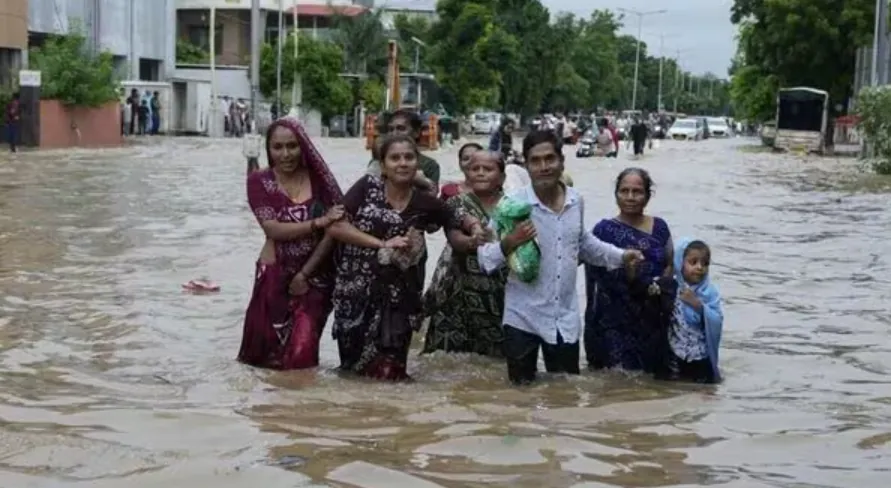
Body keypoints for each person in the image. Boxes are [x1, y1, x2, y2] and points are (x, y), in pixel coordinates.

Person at [478, 131, 644, 385]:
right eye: (535, 161)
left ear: (561, 161)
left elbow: (584, 244)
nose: (543, 167)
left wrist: (622, 256)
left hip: (563, 319)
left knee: (565, 396)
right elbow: (485, 259)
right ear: (527, 165)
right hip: (522, 317)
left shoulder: (576, 201)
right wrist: (511, 241)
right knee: (519, 397)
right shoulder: (511, 206)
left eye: (549, 159)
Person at [328, 134, 485, 381]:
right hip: (356, 295)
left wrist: (474, 226)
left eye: (409, 157)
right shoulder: (366, 188)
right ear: (383, 165)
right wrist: (381, 243)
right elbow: (336, 226)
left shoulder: (424, 202)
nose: (402, 163)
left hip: (400, 299)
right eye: (395, 158)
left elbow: (453, 213)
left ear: (417, 163)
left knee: (392, 374)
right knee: (352, 373)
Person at [239, 116, 345, 369]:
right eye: (278, 147)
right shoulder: (259, 181)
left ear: (304, 147)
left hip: (316, 277)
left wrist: (306, 274)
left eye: (292, 146)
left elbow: (339, 225)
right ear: (269, 149)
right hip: (274, 276)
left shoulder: (320, 181)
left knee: (302, 353)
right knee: (263, 359)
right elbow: (272, 229)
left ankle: (303, 407)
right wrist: (317, 223)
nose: (286, 154)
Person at [583, 168, 674, 373]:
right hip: (614, 323)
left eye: (637, 191)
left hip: (652, 319)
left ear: (648, 195)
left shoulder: (660, 227)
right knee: (617, 383)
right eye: (624, 191)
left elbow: (670, 263)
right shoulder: (603, 231)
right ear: (616, 194)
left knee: (651, 382)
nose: (630, 197)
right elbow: (591, 269)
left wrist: (659, 288)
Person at [423, 151, 508, 357]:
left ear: (501, 177)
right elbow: (454, 237)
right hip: (457, 295)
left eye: (487, 169)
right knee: (448, 363)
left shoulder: (513, 205)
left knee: (497, 365)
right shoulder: (456, 202)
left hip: (500, 296)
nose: (480, 173)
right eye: (474, 169)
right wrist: (472, 241)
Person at [657, 238, 724, 383]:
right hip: (674, 354)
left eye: (705, 263)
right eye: (693, 262)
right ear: (680, 263)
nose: (700, 267)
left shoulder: (710, 292)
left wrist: (699, 306)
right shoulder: (670, 288)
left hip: (700, 355)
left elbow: (717, 321)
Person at [367, 109, 440, 195]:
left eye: (401, 128)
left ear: (416, 132)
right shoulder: (379, 161)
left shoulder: (429, 165)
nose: (394, 134)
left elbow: (432, 196)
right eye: (391, 129)